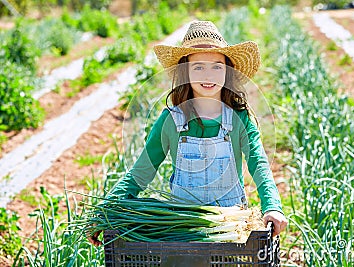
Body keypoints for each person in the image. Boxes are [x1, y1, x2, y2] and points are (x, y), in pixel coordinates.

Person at [88, 20, 287, 246]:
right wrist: (104, 212)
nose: (208, 75)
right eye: (198, 67)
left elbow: (259, 164)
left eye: (217, 66)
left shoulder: (239, 119)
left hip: (232, 230)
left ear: (227, 72)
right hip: (183, 232)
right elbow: (140, 173)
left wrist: (272, 206)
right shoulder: (171, 121)